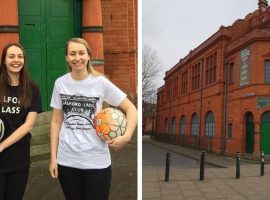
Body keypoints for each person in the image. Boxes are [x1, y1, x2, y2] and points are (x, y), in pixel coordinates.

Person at [49, 38, 137, 200]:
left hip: (96, 160)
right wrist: (53, 158)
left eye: (81, 53)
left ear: (89, 56)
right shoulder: (60, 83)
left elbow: (131, 109)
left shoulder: (100, 82)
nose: (77, 58)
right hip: (67, 160)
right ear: (67, 58)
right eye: (72, 54)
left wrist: (127, 136)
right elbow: (56, 120)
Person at [0, 43, 42, 199]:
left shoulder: (32, 88)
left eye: (20, 56)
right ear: (4, 60)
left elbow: (28, 124)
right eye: (11, 56)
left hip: (18, 158)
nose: (16, 60)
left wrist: (2, 145)